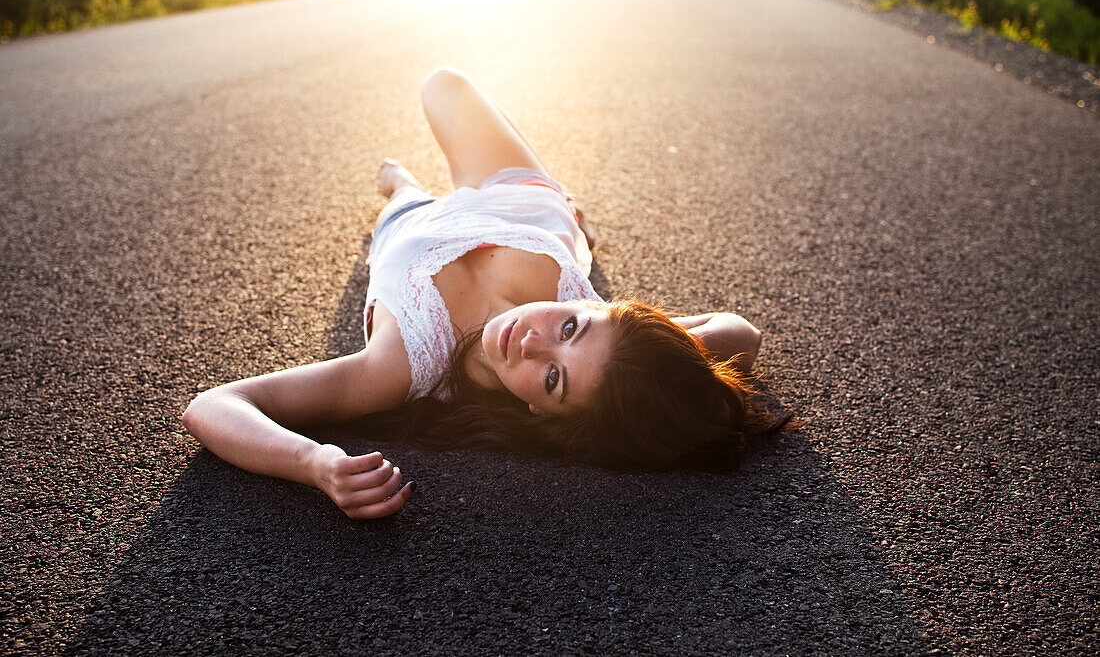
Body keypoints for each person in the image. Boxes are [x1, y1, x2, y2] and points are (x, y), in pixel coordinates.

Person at [183, 66, 793, 520]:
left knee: (402, 198)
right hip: (524, 200)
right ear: (602, 307)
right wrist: (674, 363)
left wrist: (314, 465)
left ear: (541, 416)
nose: (530, 343)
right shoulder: (621, 354)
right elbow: (741, 332)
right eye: (571, 328)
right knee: (442, 84)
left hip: (413, 228)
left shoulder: (399, 365)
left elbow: (213, 406)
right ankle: (570, 219)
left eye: (552, 380)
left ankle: (400, 185)